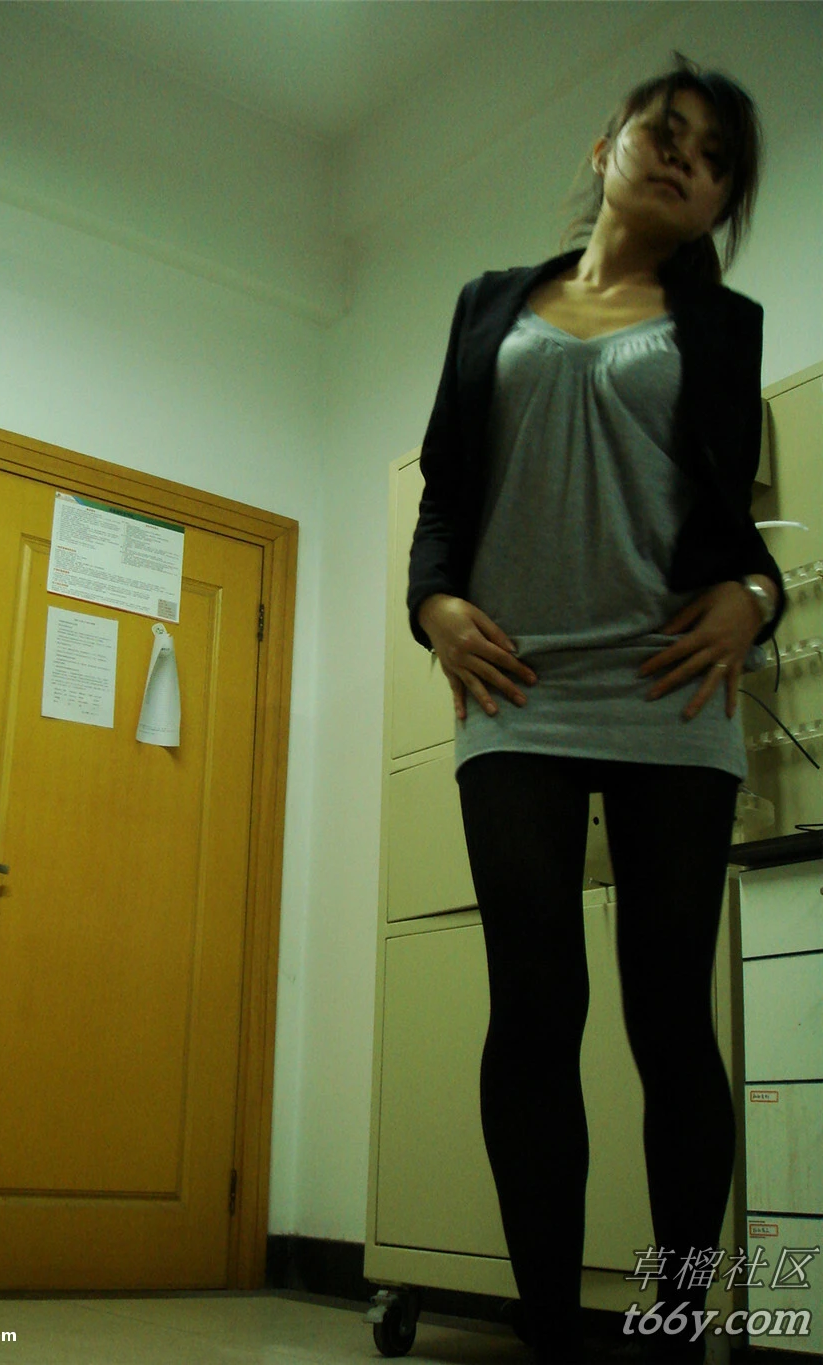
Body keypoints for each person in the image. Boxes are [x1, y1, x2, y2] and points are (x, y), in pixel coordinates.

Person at [407, 52, 786, 1365]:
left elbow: (737, 531)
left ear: (721, 201)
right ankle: (551, 1337)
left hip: (669, 689)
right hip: (516, 686)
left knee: (669, 1016)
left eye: (714, 157)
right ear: (605, 145)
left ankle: (675, 1327)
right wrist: (433, 605)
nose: (683, 157)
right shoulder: (489, 305)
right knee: (534, 1004)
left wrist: (758, 598)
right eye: (665, 131)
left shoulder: (724, 328)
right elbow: (445, 493)